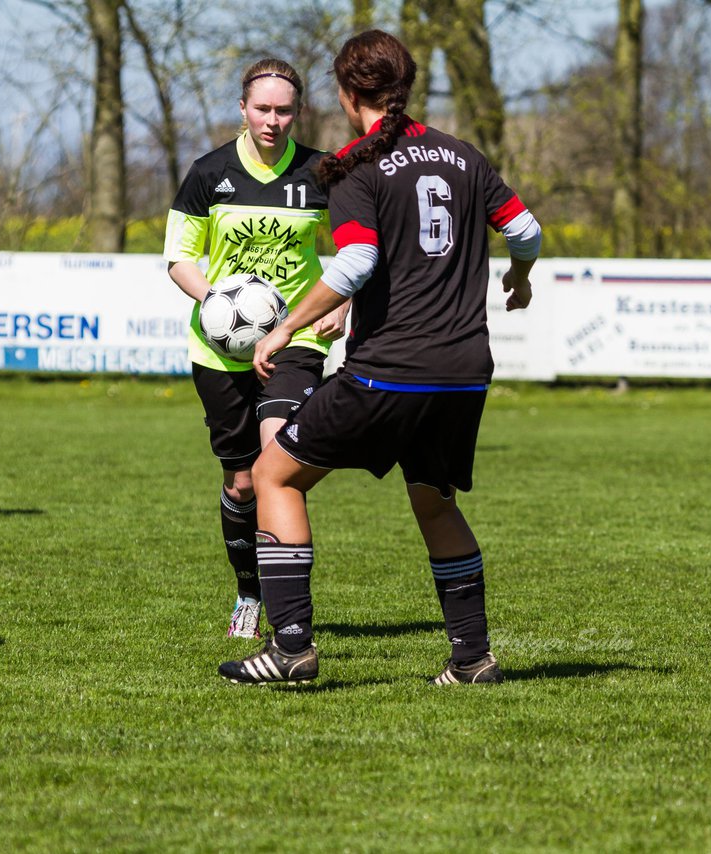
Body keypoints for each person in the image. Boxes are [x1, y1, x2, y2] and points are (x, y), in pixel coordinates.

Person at [218, 30, 541, 686]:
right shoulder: (462, 156)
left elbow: (360, 260)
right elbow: (526, 230)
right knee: (434, 501)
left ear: (345, 92)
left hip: (388, 370)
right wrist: (521, 278)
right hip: (464, 373)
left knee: (274, 476)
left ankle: (291, 650)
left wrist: (285, 330)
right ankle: (473, 658)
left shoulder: (357, 165)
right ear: (407, 88)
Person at [163, 58, 349, 639]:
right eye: (263, 109)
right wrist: (217, 300)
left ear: (298, 112)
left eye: (285, 110)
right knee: (241, 482)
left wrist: (339, 303)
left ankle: (288, 611)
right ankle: (249, 590)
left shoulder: (323, 172)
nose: (273, 120)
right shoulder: (207, 172)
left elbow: (354, 249)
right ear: (242, 108)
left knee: (276, 460)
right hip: (219, 349)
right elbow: (179, 259)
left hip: (294, 337)